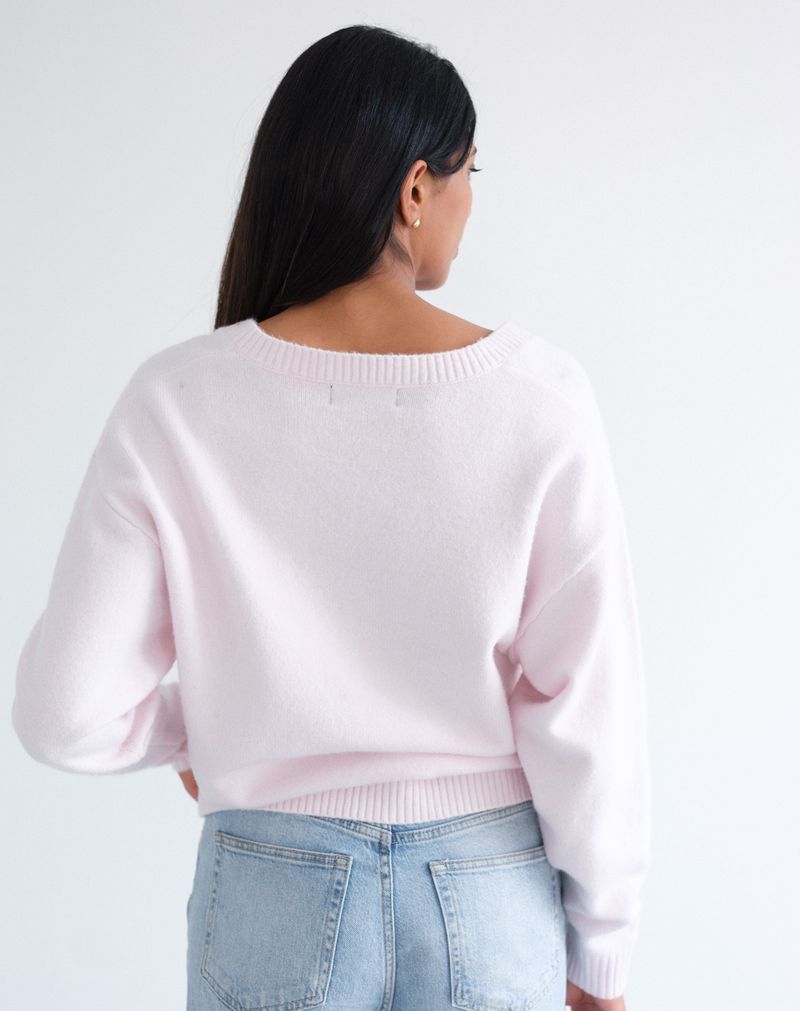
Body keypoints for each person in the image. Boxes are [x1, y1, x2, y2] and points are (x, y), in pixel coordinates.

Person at [11, 23, 650, 1011]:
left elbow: (63, 712)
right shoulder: (539, 396)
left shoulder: (175, 400)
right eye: (469, 173)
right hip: (487, 894)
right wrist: (601, 953)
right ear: (414, 190)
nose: (470, 203)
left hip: (267, 886)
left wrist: (201, 729)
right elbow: (587, 709)